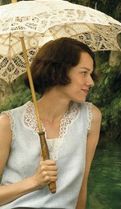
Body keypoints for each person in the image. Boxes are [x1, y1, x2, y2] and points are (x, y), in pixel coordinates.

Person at [0, 37, 102, 209]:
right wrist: (34, 181)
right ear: (59, 71)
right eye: (83, 73)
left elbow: (82, 185)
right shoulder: (7, 124)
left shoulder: (91, 117)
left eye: (90, 74)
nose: (90, 82)